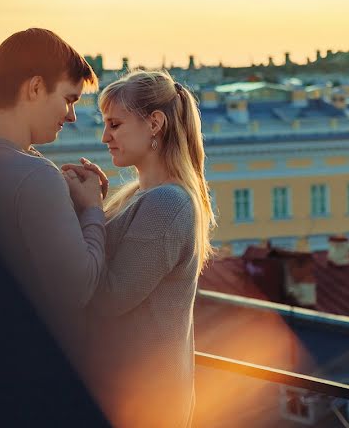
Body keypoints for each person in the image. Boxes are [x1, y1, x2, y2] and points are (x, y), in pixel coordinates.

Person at [66, 70, 215, 428]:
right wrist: (92, 208)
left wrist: (89, 212)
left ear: (155, 124)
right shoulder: (139, 194)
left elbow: (107, 297)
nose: (105, 137)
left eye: (115, 124)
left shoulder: (168, 203)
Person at [0, 28, 108, 370]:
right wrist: (92, 210)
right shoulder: (35, 176)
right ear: (36, 87)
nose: (72, 116)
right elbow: (80, 288)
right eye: (69, 99)